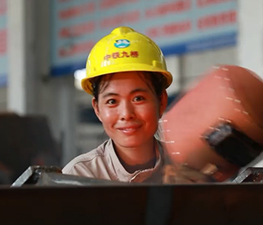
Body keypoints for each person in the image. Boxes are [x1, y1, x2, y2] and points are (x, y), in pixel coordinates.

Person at [62, 26, 211, 184]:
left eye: (138, 98)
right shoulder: (78, 176)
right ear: (97, 109)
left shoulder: (189, 168)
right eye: (112, 101)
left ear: (161, 101)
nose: (126, 113)